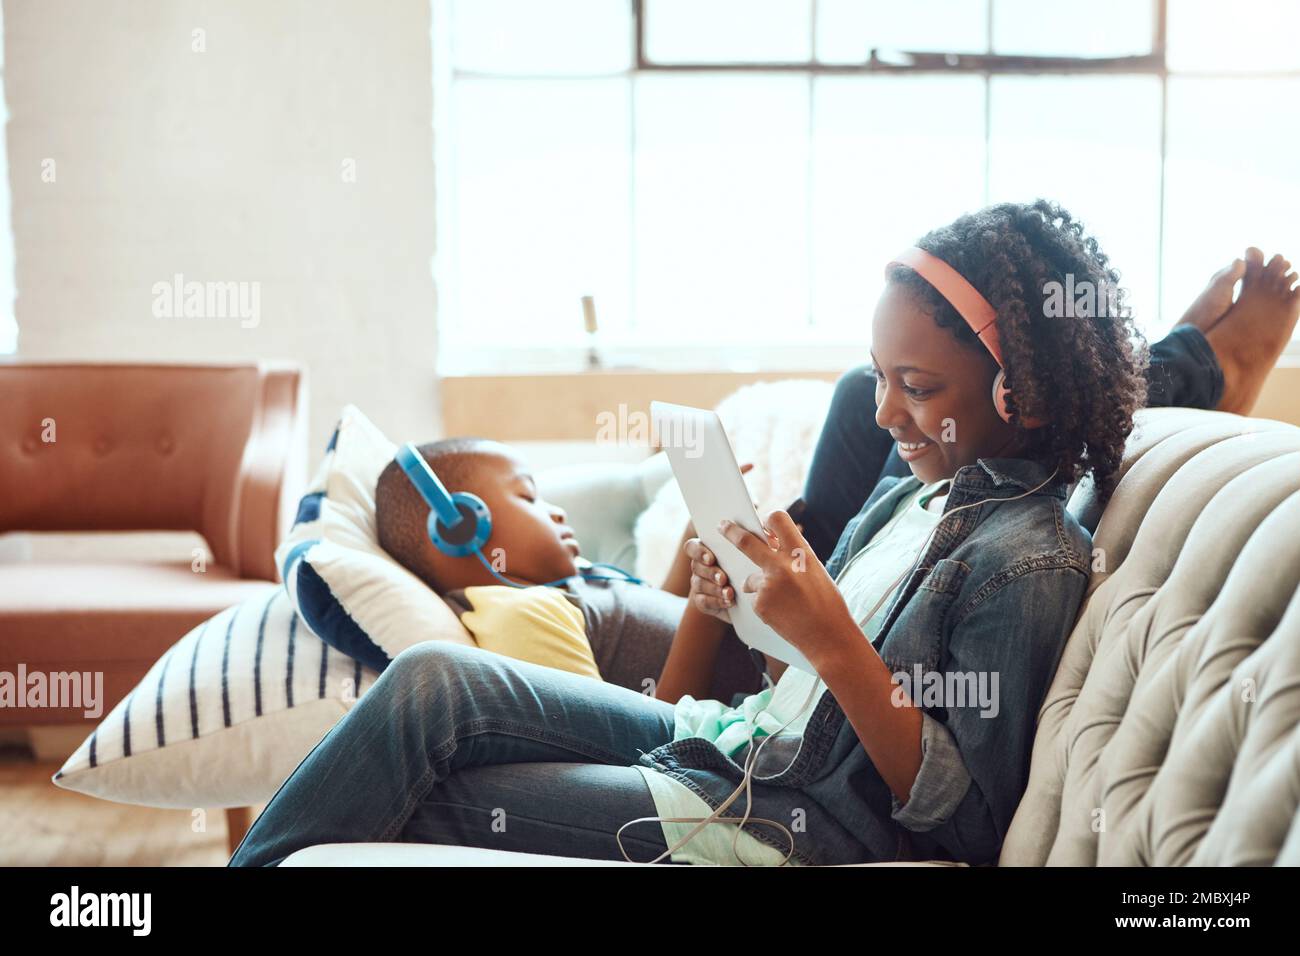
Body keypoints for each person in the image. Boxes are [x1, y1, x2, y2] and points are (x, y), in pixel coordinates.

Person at [230, 201, 1298, 867]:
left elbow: (965, 821)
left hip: (780, 819)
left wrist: (831, 636)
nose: (884, 413)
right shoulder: (920, 497)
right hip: (736, 745)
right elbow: (790, 683)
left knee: (439, 795)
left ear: (1019, 384)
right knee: (430, 679)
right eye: (879, 376)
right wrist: (742, 599)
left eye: (915, 385)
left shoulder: (1024, 557)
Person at [370, 438, 763, 695]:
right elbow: (645, 734)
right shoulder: (521, 614)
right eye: (529, 496)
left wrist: (694, 545)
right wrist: (707, 611)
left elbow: (662, 623)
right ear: (460, 527)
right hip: (774, 695)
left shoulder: (561, 586)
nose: (556, 512)